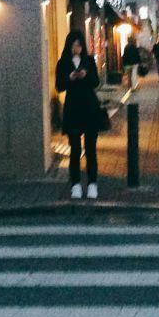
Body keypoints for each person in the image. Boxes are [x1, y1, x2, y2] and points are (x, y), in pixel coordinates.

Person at [56, 32, 104, 199]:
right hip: (73, 109)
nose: (76, 48)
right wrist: (70, 76)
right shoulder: (63, 63)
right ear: (69, 45)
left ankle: (92, 184)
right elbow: (59, 86)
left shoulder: (89, 61)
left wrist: (86, 75)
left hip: (89, 107)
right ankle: (75, 185)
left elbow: (96, 82)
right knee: (75, 150)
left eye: (79, 45)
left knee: (91, 149)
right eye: (74, 45)